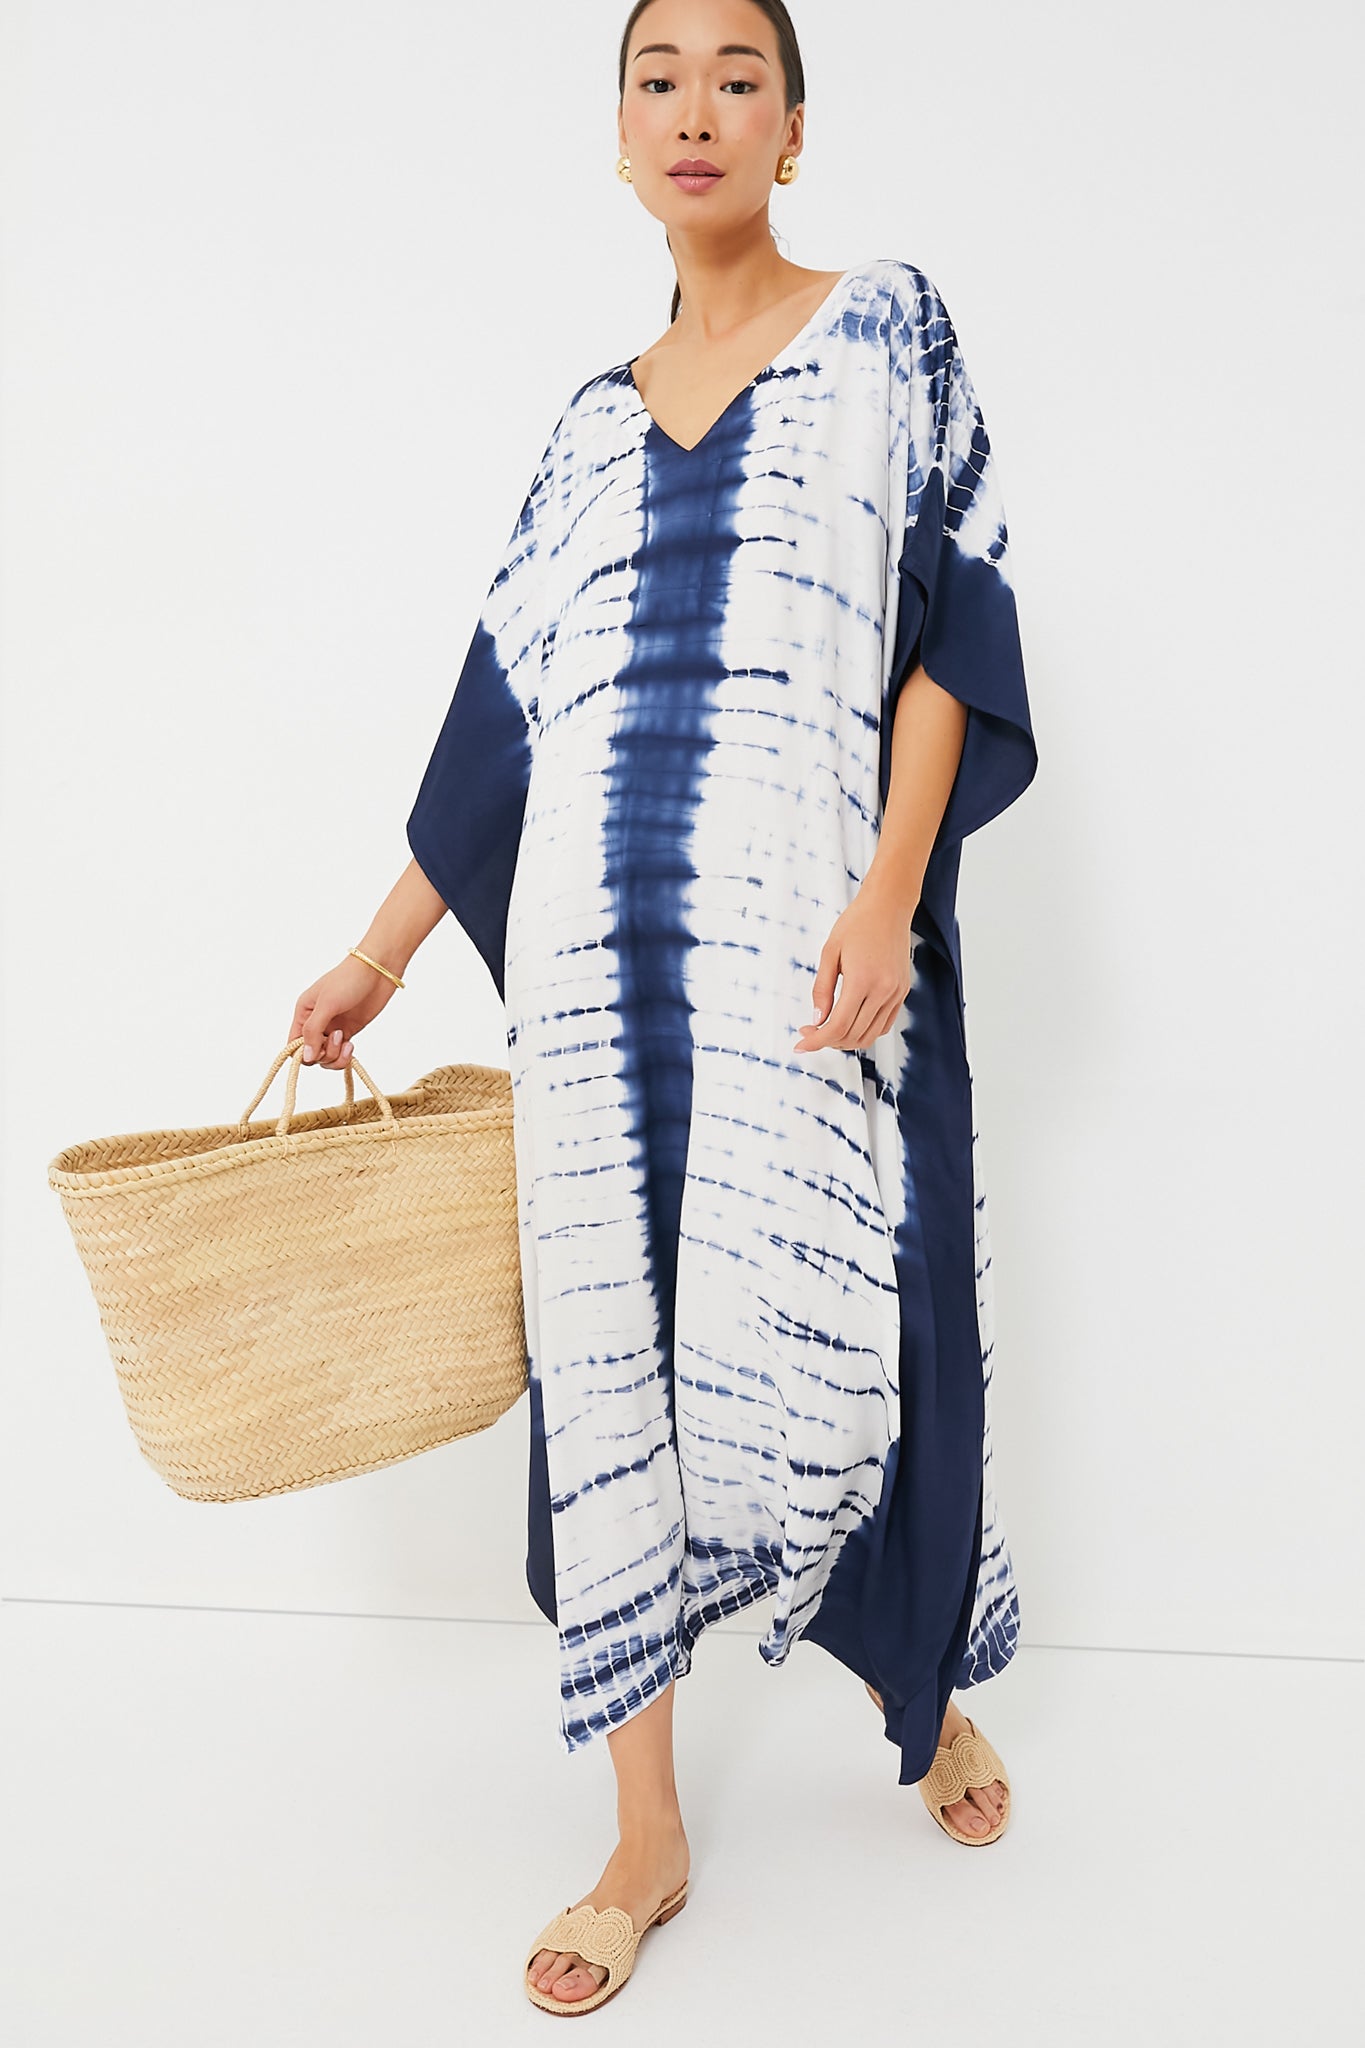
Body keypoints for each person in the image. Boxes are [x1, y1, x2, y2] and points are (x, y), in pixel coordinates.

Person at [290, 0, 1038, 2017]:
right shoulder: (581, 430)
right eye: (656, 79)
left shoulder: (884, 333)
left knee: (864, 1329)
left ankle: (913, 1687)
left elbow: (953, 620)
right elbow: (500, 731)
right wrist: (374, 954)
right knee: (612, 1365)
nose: (692, 108)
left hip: (811, 963)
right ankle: (643, 1832)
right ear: (616, 135)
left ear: (791, 128)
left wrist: (887, 888)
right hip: (596, 999)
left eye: (734, 77)